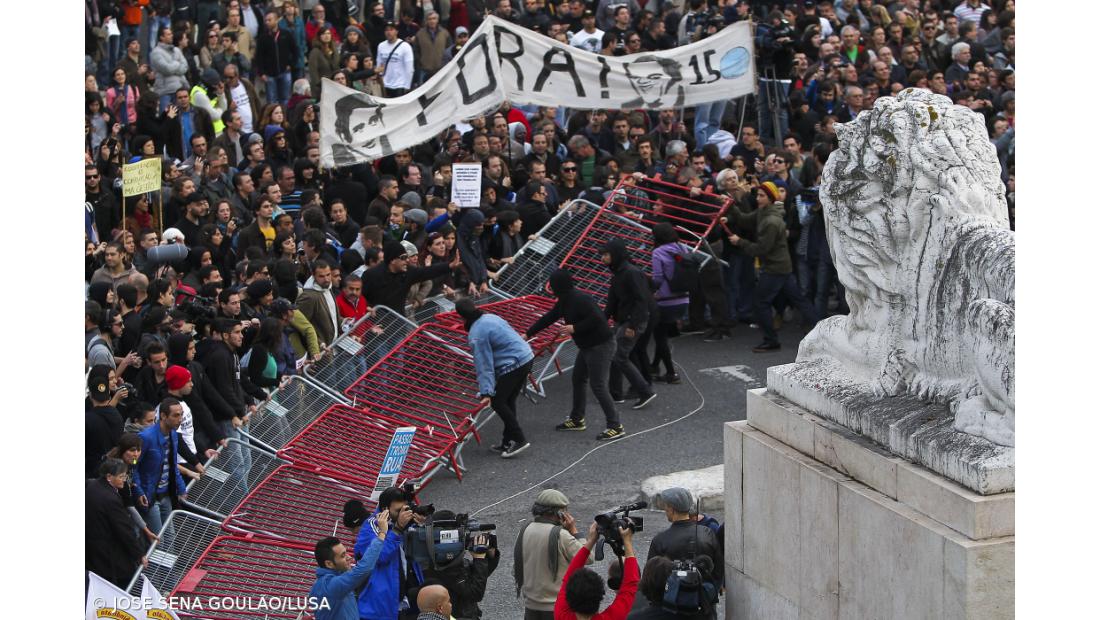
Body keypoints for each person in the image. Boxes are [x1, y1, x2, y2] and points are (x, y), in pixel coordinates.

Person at [526, 269, 625, 441]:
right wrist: (528, 334)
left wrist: (575, 328)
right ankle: (577, 419)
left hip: (600, 345)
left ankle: (615, 425)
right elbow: (549, 317)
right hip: (587, 346)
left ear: (558, 286)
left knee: (598, 386)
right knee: (578, 379)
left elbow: (599, 318)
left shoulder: (580, 298)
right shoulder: (565, 300)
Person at [725, 181, 818, 352]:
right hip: (781, 266)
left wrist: (740, 242)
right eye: (758, 195)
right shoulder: (763, 212)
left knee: (761, 303)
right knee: (799, 300)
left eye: (762, 196)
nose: (758, 198)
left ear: (770, 198)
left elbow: (761, 249)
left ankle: (771, 340)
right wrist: (731, 205)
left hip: (774, 268)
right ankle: (821, 330)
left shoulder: (771, 221)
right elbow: (745, 220)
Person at [456, 297, 535, 458]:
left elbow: (484, 364)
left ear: (461, 316)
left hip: (514, 363)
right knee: (508, 401)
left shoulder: (476, 334)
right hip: (526, 355)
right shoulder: (491, 317)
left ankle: (519, 439)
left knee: (498, 402)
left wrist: (486, 392)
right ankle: (507, 442)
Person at [646, 488, 722, 619]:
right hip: (704, 609)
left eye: (666, 507)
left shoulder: (660, 540)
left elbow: (651, 581)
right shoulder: (708, 534)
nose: (665, 510)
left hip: (671, 610)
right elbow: (718, 571)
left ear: (671, 509)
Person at [600, 239, 657, 410]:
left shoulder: (630, 273)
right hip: (625, 320)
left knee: (619, 356)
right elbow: (612, 301)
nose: (602, 258)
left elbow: (641, 300)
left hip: (632, 321)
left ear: (615, 254)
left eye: (605, 255)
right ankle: (615, 393)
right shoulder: (618, 272)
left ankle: (644, 390)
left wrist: (632, 325)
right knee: (616, 356)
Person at [516, 489, 587, 620]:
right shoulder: (561, 535)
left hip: (531, 606)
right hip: (556, 608)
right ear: (560, 513)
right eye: (565, 510)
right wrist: (575, 531)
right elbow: (588, 558)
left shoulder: (525, 530)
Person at [356, 486, 424, 620]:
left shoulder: (403, 521)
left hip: (409, 597)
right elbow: (379, 556)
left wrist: (419, 526)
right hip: (382, 607)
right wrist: (398, 528)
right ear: (385, 510)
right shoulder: (370, 527)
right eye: (398, 510)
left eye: (404, 509)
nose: (402, 514)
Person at [309, 510, 392, 620]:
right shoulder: (331, 586)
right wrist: (382, 533)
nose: (349, 557)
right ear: (329, 564)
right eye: (343, 555)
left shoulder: (326, 583)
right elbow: (363, 569)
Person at [554, 519, 639, 620]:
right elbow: (630, 586)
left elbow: (569, 576)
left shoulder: (561, 615)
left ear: (569, 597)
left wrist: (591, 541)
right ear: (599, 598)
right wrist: (627, 541)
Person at [86, 458, 147, 588]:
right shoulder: (111, 499)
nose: (124, 480)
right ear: (109, 477)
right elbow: (124, 529)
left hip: (92, 552)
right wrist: (139, 553)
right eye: (121, 476)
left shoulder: (91, 485)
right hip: (109, 554)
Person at [135, 396, 190, 535]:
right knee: (159, 540)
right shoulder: (146, 437)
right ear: (163, 416)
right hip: (150, 496)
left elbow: (171, 463)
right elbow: (134, 465)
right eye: (176, 415)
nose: (180, 419)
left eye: (181, 414)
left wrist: (182, 488)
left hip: (166, 494)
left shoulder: (173, 435)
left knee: (170, 537)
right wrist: (139, 491)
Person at [649, 224, 693, 384]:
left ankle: (671, 373)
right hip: (684, 299)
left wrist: (650, 289)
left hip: (665, 301)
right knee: (664, 335)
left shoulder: (658, 252)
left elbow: (658, 278)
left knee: (660, 336)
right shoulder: (683, 248)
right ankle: (654, 365)